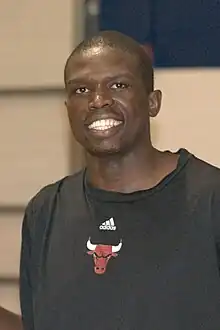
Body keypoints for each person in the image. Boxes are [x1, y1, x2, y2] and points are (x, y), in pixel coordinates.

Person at [20, 31, 220, 330]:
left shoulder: (211, 199)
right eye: (81, 90)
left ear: (153, 102)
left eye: (118, 85)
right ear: (68, 111)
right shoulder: (44, 211)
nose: (98, 100)